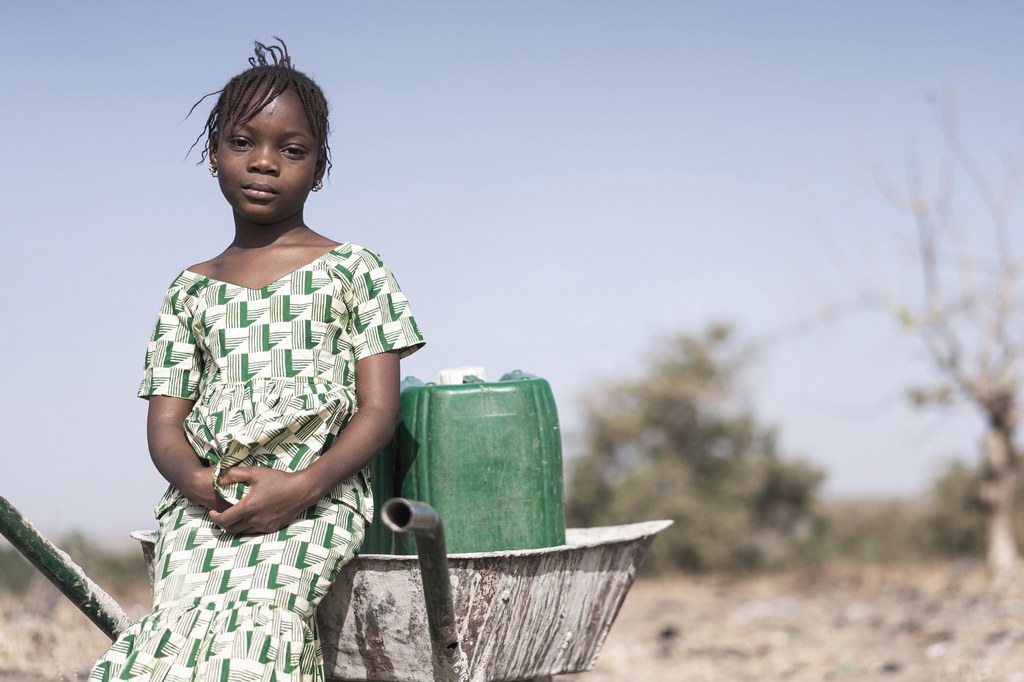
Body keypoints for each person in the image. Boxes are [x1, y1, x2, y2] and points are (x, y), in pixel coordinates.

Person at [90, 39, 424, 681]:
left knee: (261, 627)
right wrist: (197, 484)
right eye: (243, 142)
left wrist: (302, 486)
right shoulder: (190, 288)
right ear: (215, 154)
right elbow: (165, 424)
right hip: (206, 506)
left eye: (291, 150)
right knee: (175, 634)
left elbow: (379, 412)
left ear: (319, 167)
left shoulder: (355, 271)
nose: (264, 163)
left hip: (316, 496)